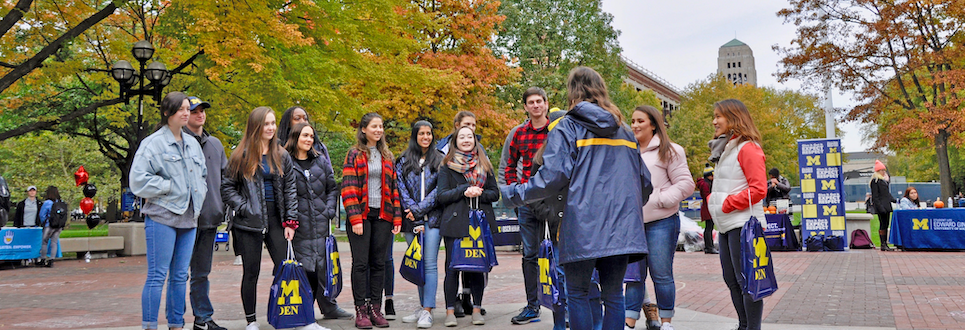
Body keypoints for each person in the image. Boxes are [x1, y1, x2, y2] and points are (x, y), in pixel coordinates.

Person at [502, 66, 652, 330]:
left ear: (573, 92)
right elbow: (645, 183)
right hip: (622, 227)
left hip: (582, 226)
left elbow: (550, 178)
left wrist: (515, 194)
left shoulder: (567, 127)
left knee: (578, 294)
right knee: (614, 295)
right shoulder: (626, 131)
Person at [130, 92, 208, 330]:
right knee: (157, 276)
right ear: (167, 113)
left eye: (188, 109)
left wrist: (200, 196)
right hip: (162, 216)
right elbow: (137, 180)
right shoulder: (152, 144)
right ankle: (150, 325)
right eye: (180, 110)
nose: (186, 113)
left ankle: (176, 324)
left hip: (189, 218)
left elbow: (202, 176)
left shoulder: (193, 143)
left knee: (179, 276)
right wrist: (168, 186)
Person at [221, 106, 299, 330]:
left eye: (273, 123)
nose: (271, 127)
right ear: (256, 126)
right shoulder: (241, 154)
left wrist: (290, 221)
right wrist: (244, 207)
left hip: (277, 219)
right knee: (251, 272)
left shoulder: (282, 154)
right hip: (248, 222)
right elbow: (227, 188)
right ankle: (251, 320)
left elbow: (290, 189)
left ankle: (280, 312)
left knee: (284, 267)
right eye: (266, 123)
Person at [277, 106, 353, 321]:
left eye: (311, 134)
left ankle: (328, 306)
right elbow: (282, 192)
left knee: (323, 266)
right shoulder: (284, 159)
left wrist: (329, 210)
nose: (309, 139)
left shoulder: (320, 158)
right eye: (304, 134)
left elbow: (332, 187)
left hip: (320, 222)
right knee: (303, 269)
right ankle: (302, 312)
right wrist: (288, 219)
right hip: (298, 224)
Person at [625, 106, 695, 330]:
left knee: (661, 273)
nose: (635, 125)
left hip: (662, 222)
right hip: (633, 224)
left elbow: (686, 184)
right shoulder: (626, 150)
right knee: (634, 276)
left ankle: (666, 322)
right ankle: (629, 322)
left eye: (640, 121)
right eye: (632, 121)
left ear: (653, 124)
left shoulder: (671, 150)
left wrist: (659, 199)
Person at [706, 99, 768, 330]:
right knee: (731, 280)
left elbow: (758, 189)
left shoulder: (748, 148)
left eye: (718, 116)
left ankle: (752, 327)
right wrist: (714, 201)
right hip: (725, 224)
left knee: (747, 281)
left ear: (733, 117)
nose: (714, 121)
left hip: (742, 223)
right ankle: (743, 325)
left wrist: (726, 204)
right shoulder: (726, 149)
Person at [340, 112, 402, 329]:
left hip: (383, 216)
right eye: (374, 126)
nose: (378, 130)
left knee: (379, 263)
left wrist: (396, 216)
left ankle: (376, 308)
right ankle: (361, 310)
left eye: (381, 126)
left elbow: (394, 188)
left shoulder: (387, 155)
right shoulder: (354, 154)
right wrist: (355, 218)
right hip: (361, 216)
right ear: (364, 129)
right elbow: (347, 187)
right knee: (361, 263)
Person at [437, 125, 499, 327]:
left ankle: (476, 309)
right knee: (452, 268)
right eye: (461, 137)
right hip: (455, 222)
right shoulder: (446, 165)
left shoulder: (484, 164)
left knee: (477, 268)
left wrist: (480, 192)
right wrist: (464, 190)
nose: (465, 140)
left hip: (479, 223)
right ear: (455, 142)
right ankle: (449, 312)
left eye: (469, 137)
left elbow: (495, 194)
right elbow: (442, 196)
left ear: (474, 140)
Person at [504, 87, 553, 325]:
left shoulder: (557, 130)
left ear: (546, 103)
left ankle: (561, 305)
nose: (536, 105)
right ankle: (533, 306)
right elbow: (509, 165)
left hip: (554, 201)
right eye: (531, 102)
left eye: (539, 101)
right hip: (527, 200)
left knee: (559, 253)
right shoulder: (519, 133)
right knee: (530, 255)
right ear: (525, 107)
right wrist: (516, 193)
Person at [180, 96, 229, 330]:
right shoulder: (177, 141)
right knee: (179, 273)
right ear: (185, 114)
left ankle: (203, 319)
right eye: (194, 111)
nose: (200, 114)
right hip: (183, 220)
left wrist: (224, 207)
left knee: (201, 273)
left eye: (202, 111)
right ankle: (175, 320)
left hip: (210, 218)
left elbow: (226, 179)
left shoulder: (216, 144)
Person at [396, 121, 444, 328]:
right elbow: (401, 187)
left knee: (430, 263)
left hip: (433, 219)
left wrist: (419, 209)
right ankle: (421, 306)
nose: (426, 137)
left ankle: (428, 310)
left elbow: (439, 191)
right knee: (417, 263)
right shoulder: (404, 160)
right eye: (421, 133)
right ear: (415, 135)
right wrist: (412, 212)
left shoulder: (441, 160)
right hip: (410, 220)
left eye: (429, 133)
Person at [870, 160, 896, 251]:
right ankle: (883, 243)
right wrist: (880, 207)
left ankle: (885, 243)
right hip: (881, 206)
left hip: (887, 205)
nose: (883, 172)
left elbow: (887, 194)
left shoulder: (884, 181)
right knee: (882, 224)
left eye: (884, 170)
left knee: (886, 224)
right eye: (881, 170)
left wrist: (894, 200)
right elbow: (875, 196)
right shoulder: (875, 181)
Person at [38, 186, 64, 267]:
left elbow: (42, 215)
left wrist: (44, 222)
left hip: (49, 225)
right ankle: (51, 260)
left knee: (45, 242)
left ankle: (43, 259)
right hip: (59, 226)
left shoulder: (47, 203)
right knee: (54, 242)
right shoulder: (61, 202)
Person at [695, 165, 718, 254]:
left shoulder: (707, 183)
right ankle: (709, 247)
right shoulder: (705, 184)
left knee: (709, 228)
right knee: (709, 228)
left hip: (708, 208)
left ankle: (709, 247)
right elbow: (707, 195)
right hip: (708, 208)